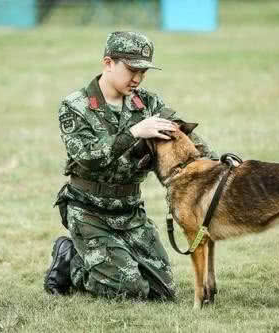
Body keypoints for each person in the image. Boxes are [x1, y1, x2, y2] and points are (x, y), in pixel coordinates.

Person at [44, 31, 218, 300]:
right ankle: (71, 261)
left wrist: (218, 163)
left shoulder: (148, 103)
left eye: (143, 72)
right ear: (108, 63)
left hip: (130, 212)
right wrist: (135, 132)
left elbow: (184, 136)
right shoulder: (75, 106)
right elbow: (86, 157)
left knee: (163, 293)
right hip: (89, 213)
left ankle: (110, 259)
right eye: (131, 69)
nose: (137, 78)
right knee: (130, 289)